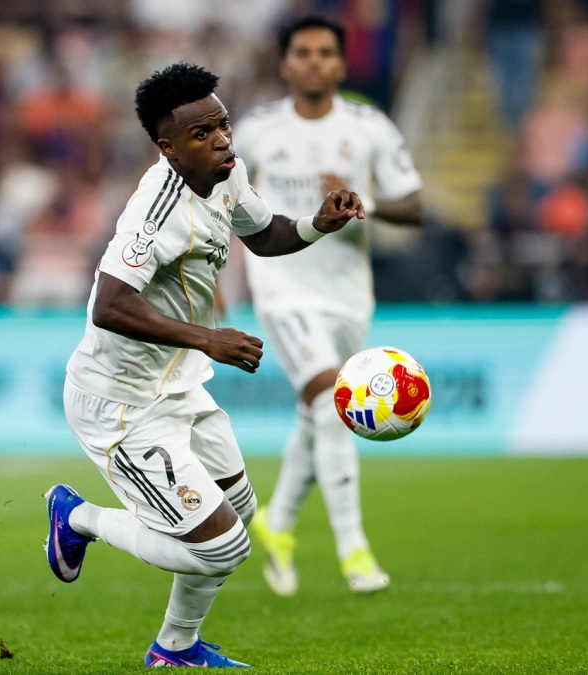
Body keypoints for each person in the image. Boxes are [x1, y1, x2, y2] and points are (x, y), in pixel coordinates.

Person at [43, 62, 364, 667]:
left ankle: (175, 648)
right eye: (202, 134)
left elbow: (264, 232)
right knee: (225, 548)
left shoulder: (226, 174)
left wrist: (318, 224)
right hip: (121, 404)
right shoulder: (155, 211)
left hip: (178, 385)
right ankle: (77, 516)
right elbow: (110, 304)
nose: (221, 140)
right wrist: (207, 338)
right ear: (168, 148)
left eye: (223, 125)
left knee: (237, 512)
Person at [236, 16, 424, 597]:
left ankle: (278, 523)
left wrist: (359, 198)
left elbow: (414, 208)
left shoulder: (368, 127)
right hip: (280, 284)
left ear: (342, 65)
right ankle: (354, 551)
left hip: (346, 294)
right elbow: (215, 200)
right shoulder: (254, 131)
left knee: (319, 414)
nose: (314, 61)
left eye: (325, 53)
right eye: (303, 52)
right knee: (328, 395)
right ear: (286, 63)